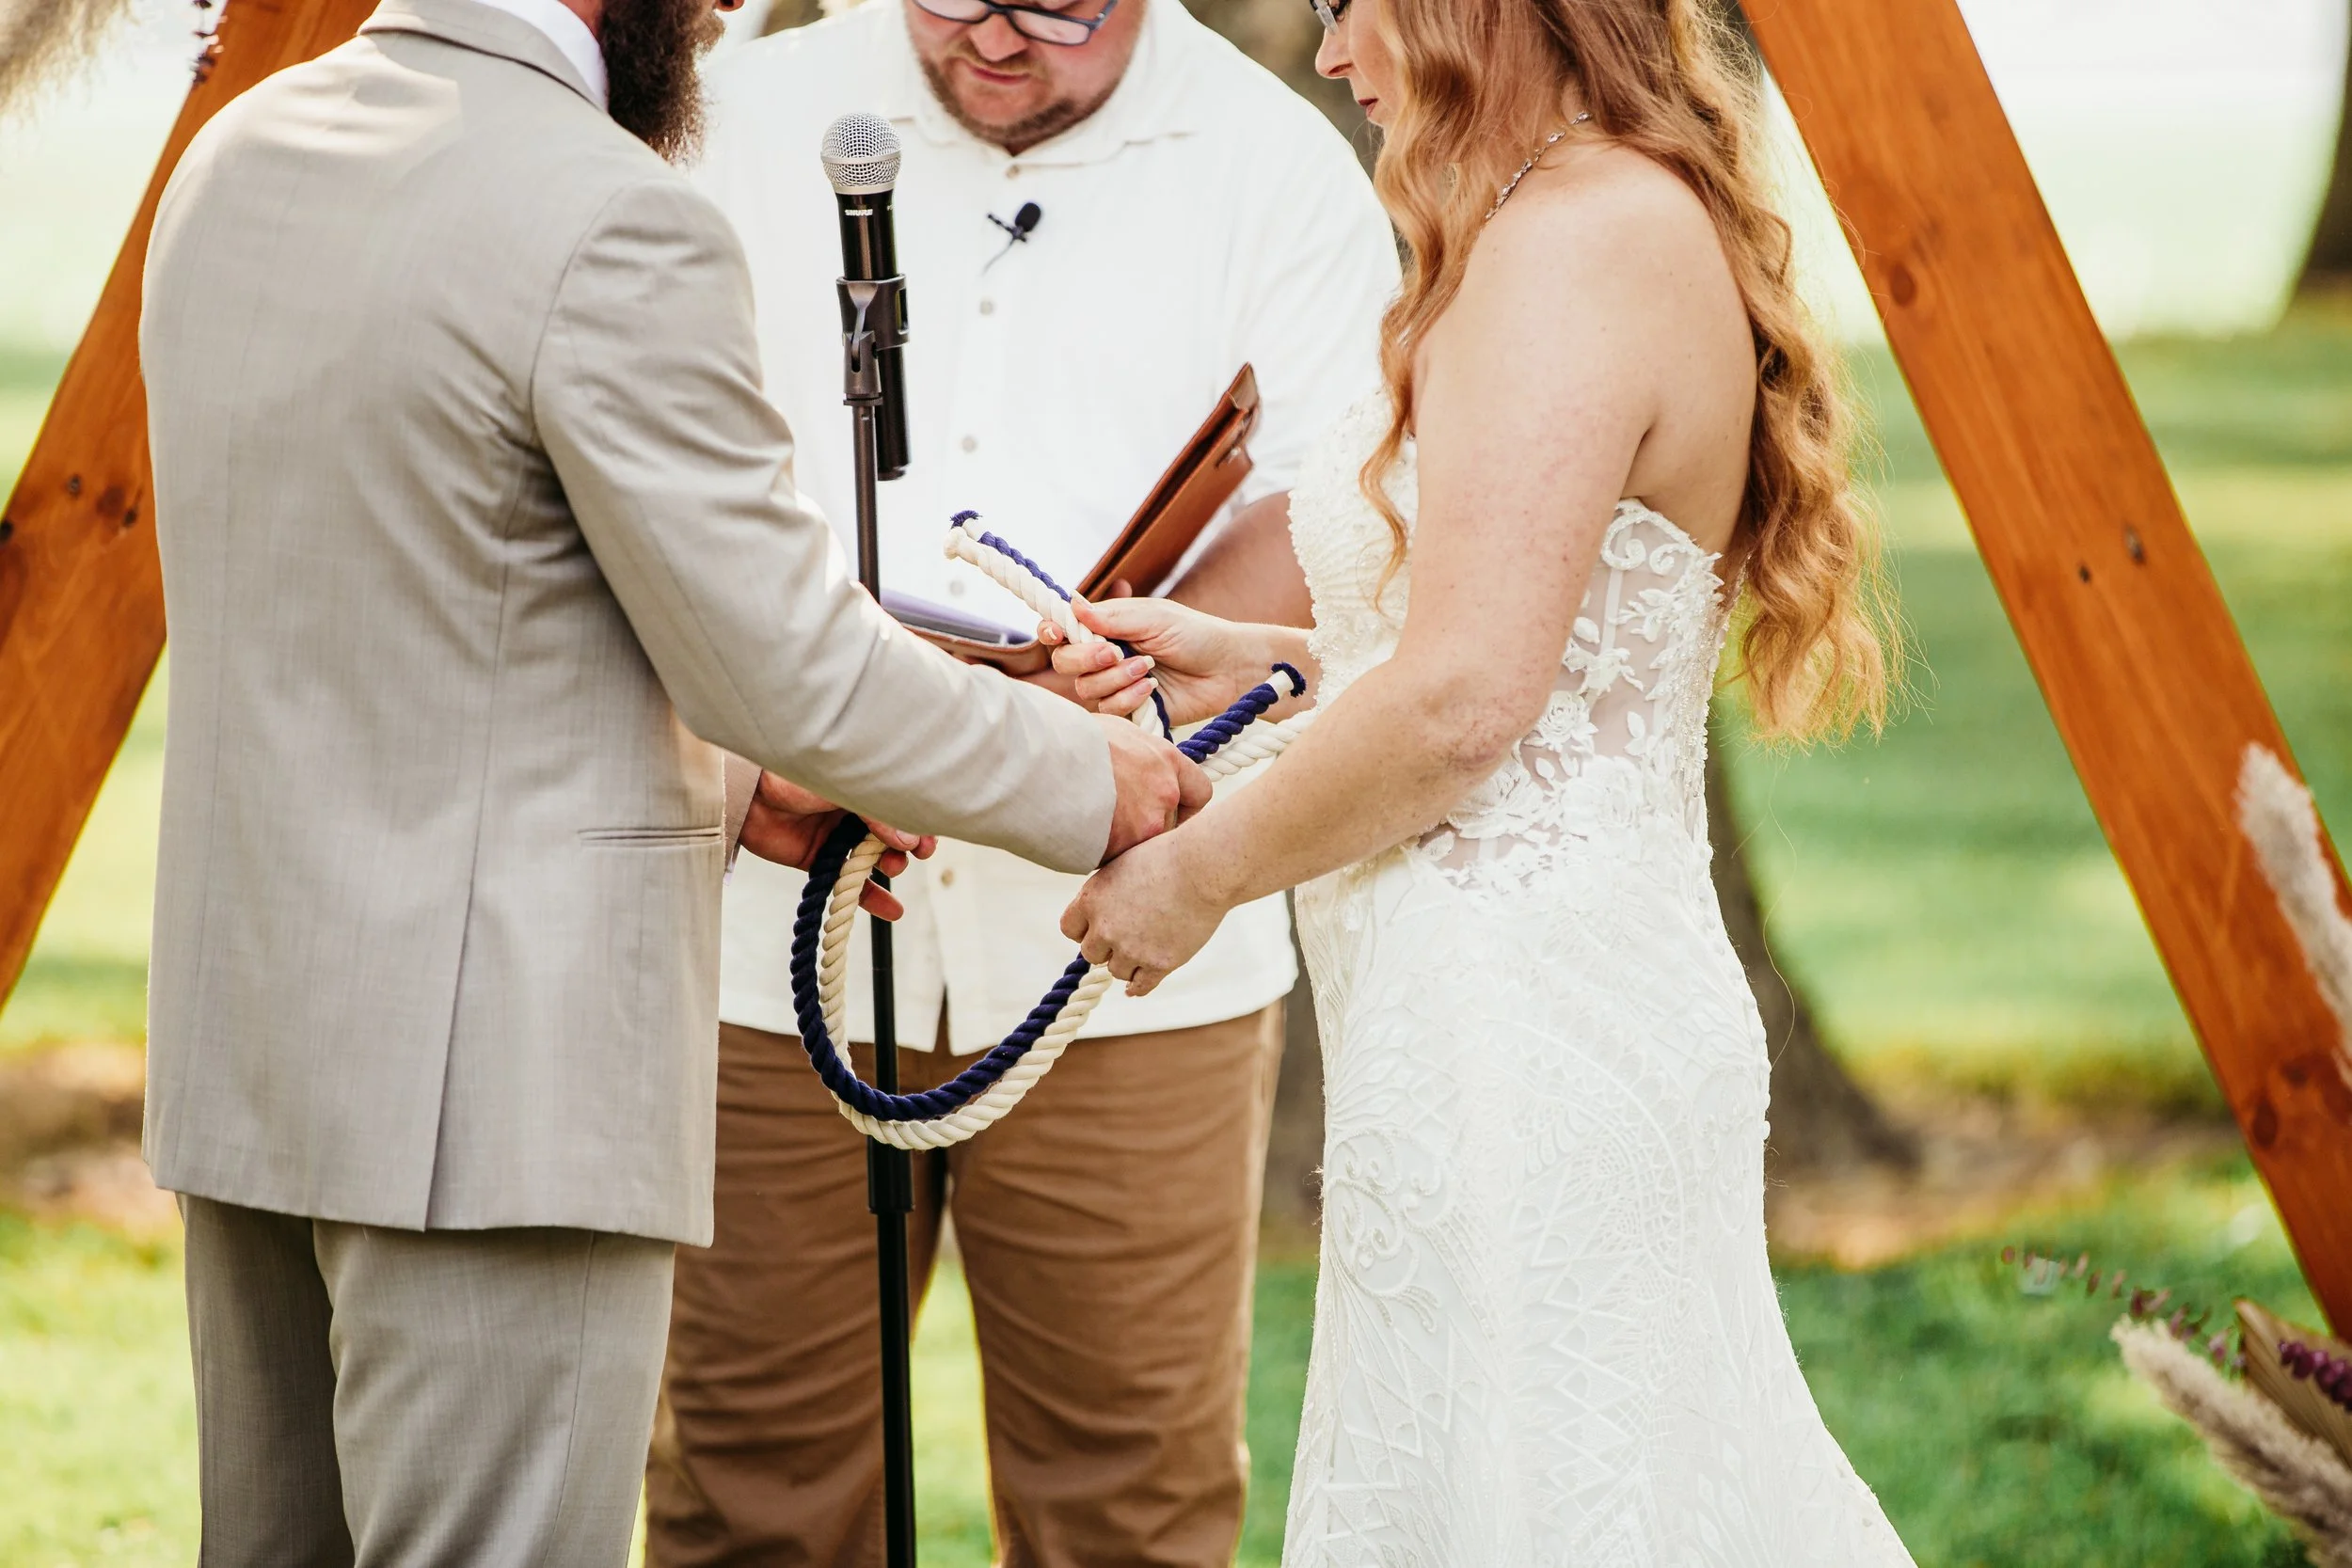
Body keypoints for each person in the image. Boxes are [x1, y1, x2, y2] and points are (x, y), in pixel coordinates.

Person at [136, 0, 1204, 1560]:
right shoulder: (608, 214)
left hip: (256, 1064)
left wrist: (724, 785)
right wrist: (1096, 778)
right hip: (499, 1102)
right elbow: (789, 663)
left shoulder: (240, 154)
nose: (711, 9)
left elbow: (402, 609)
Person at [1049, 0, 1920, 1559]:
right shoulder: (1589, 215)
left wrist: (1193, 874)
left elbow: (1464, 705)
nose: (1332, 56)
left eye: (1348, 6)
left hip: (1522, 1042)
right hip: (1509, 1020)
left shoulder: (1571, 243)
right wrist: (1259, 667)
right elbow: (1514, 659)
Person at [646, 2, 1395, 1562]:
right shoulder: (726, 115)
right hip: (758, 947)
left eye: (1056, 4)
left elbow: (1332, 512)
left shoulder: (1278, 165)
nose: (996, 37)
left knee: (1130, 1500)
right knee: (750, 1492)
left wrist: (1096, 686)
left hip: (1127, 971)